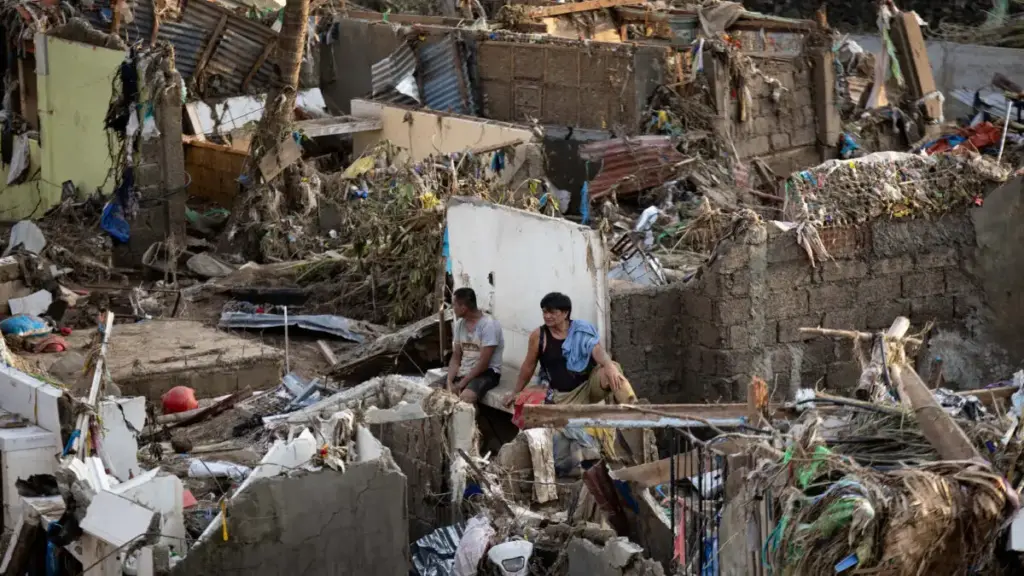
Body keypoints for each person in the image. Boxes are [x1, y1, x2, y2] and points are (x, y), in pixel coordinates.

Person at [505, 292, 635, 408]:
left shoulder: (581, 330)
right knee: (526, 409)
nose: (547, 316)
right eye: (545, 312)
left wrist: (609, 365)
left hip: (587, 389)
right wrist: (515, 392)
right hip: (559, 396)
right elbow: (528, 366)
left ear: (565, 313)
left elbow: (597, 350)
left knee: (613, 369)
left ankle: (633, 409)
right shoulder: (539, 336)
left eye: (552, 312)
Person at [446, 287, 505, 404]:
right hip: (466, 369)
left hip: (487, 372)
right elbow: (456, 356)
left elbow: (483, 364)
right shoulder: (459, 324)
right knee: (438, 391)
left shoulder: (489, 325)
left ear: (463, 308)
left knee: (466, 397)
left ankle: (472, 421)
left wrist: (460, 384)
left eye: (454, 305)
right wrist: (449, 381)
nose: (452, 308)